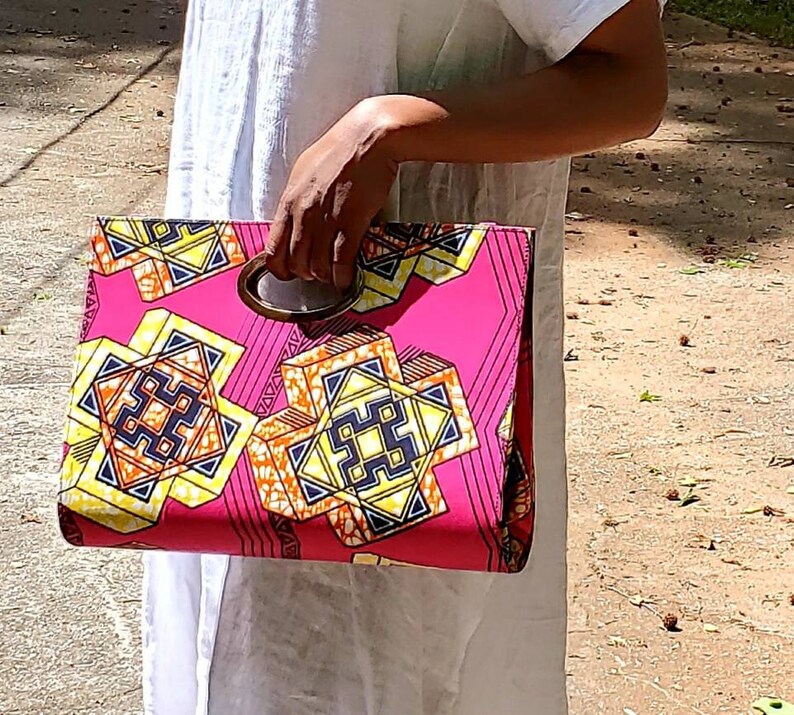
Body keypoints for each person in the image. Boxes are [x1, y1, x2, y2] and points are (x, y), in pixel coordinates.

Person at [144, 1, 668, 713]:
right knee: (230, 653)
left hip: (403, 371)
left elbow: (629, 80)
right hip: (232, 353)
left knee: (375, 672)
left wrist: (387, 129)